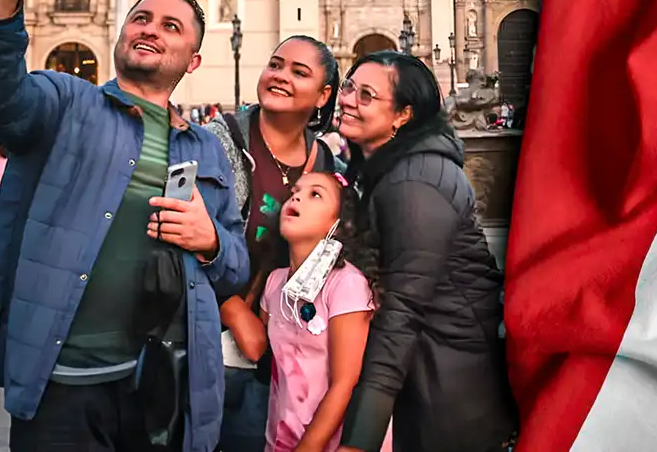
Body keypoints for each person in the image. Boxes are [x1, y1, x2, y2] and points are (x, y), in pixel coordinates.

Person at [0, 0, 249, 452]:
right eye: (141, 20)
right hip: (62, 388)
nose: (150, 30)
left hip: (162, 386)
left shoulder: (208, 149)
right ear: (123, 36)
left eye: (171, 26)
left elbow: (233, 268)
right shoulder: (66, 104)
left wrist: (210, 241)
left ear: (194, 60)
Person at [335, 51, 518, 452]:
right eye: (349, 86)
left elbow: (403, 310)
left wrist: (359, 439)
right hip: (431, 368)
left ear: (402, 115)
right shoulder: (390, 167)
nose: (347, 99)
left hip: (445, 382)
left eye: (366, 95)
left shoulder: (414, 182)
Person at [204, 35, 338, 452]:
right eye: (276, 65)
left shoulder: (324, 161)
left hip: (277, 358)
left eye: (300, 72)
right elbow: (181, 234)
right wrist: (233, 310)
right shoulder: (218, 141)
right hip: (206, 342)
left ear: (323, 95)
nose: (280, 76)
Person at [259, 172, 386, 452]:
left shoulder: (346, 284)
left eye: (315, 194)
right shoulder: (273, 282)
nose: (296, 196)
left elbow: (344, 382)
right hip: (279, 439)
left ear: (338, 224)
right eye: (295, 191)